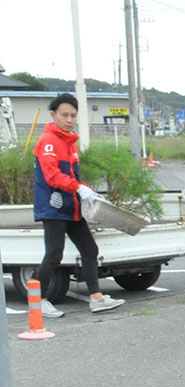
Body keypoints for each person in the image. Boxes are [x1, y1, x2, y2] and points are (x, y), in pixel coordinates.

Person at [33, 93, 124, 316]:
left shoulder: (70, 142)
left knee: (90, 249)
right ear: (53, 115)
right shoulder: (48, 142)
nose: (69, 119)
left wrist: (87, 190)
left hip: (72, 207)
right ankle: (37, 300)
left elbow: (73, 175)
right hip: (53, 207)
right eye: (64, 115)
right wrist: (78, 188)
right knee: (54, 254)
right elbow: (53, 176)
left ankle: (96, 298)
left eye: (73, 115)